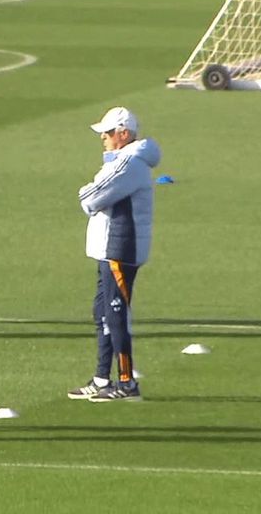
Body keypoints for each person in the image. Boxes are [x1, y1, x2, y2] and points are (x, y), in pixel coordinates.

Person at [67, 107, 161, 403]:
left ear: (124, 134)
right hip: (107, 248)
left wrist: (88, 192)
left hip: (121, 248)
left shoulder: (129, 164)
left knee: (117, 315)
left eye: (108, 133)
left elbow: (91, 197)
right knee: (103, 313)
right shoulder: (122, 161)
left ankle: (126, 382)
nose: (103, 139)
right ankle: (101, 378)